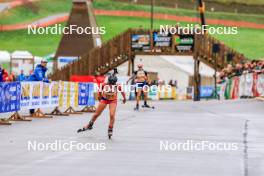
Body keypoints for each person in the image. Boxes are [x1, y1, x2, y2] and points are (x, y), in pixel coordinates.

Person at [77, 70, 126, 139]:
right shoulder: (104, 85)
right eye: (110, 84)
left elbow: (122, 92)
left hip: (113, 101)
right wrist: (99, 97)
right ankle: (89, 125)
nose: (111, 85)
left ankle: (110, 128)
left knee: (112, 115)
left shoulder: (118, 86)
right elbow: (100, 90)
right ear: (108, 82)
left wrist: (124, 99)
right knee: (96, 114)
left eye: (113, 84)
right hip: (104, 100)